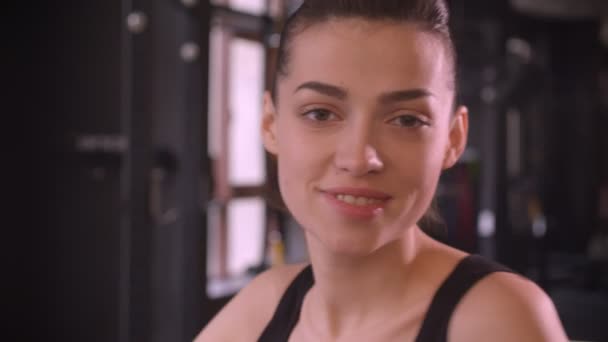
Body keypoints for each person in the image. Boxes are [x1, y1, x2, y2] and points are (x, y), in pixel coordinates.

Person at [195, 0, 568, 341]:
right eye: (320, 114)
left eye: (406, 120)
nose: (359, 159)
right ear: (270, 124)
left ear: (453, 139)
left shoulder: (496, 320)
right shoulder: (263, 308)